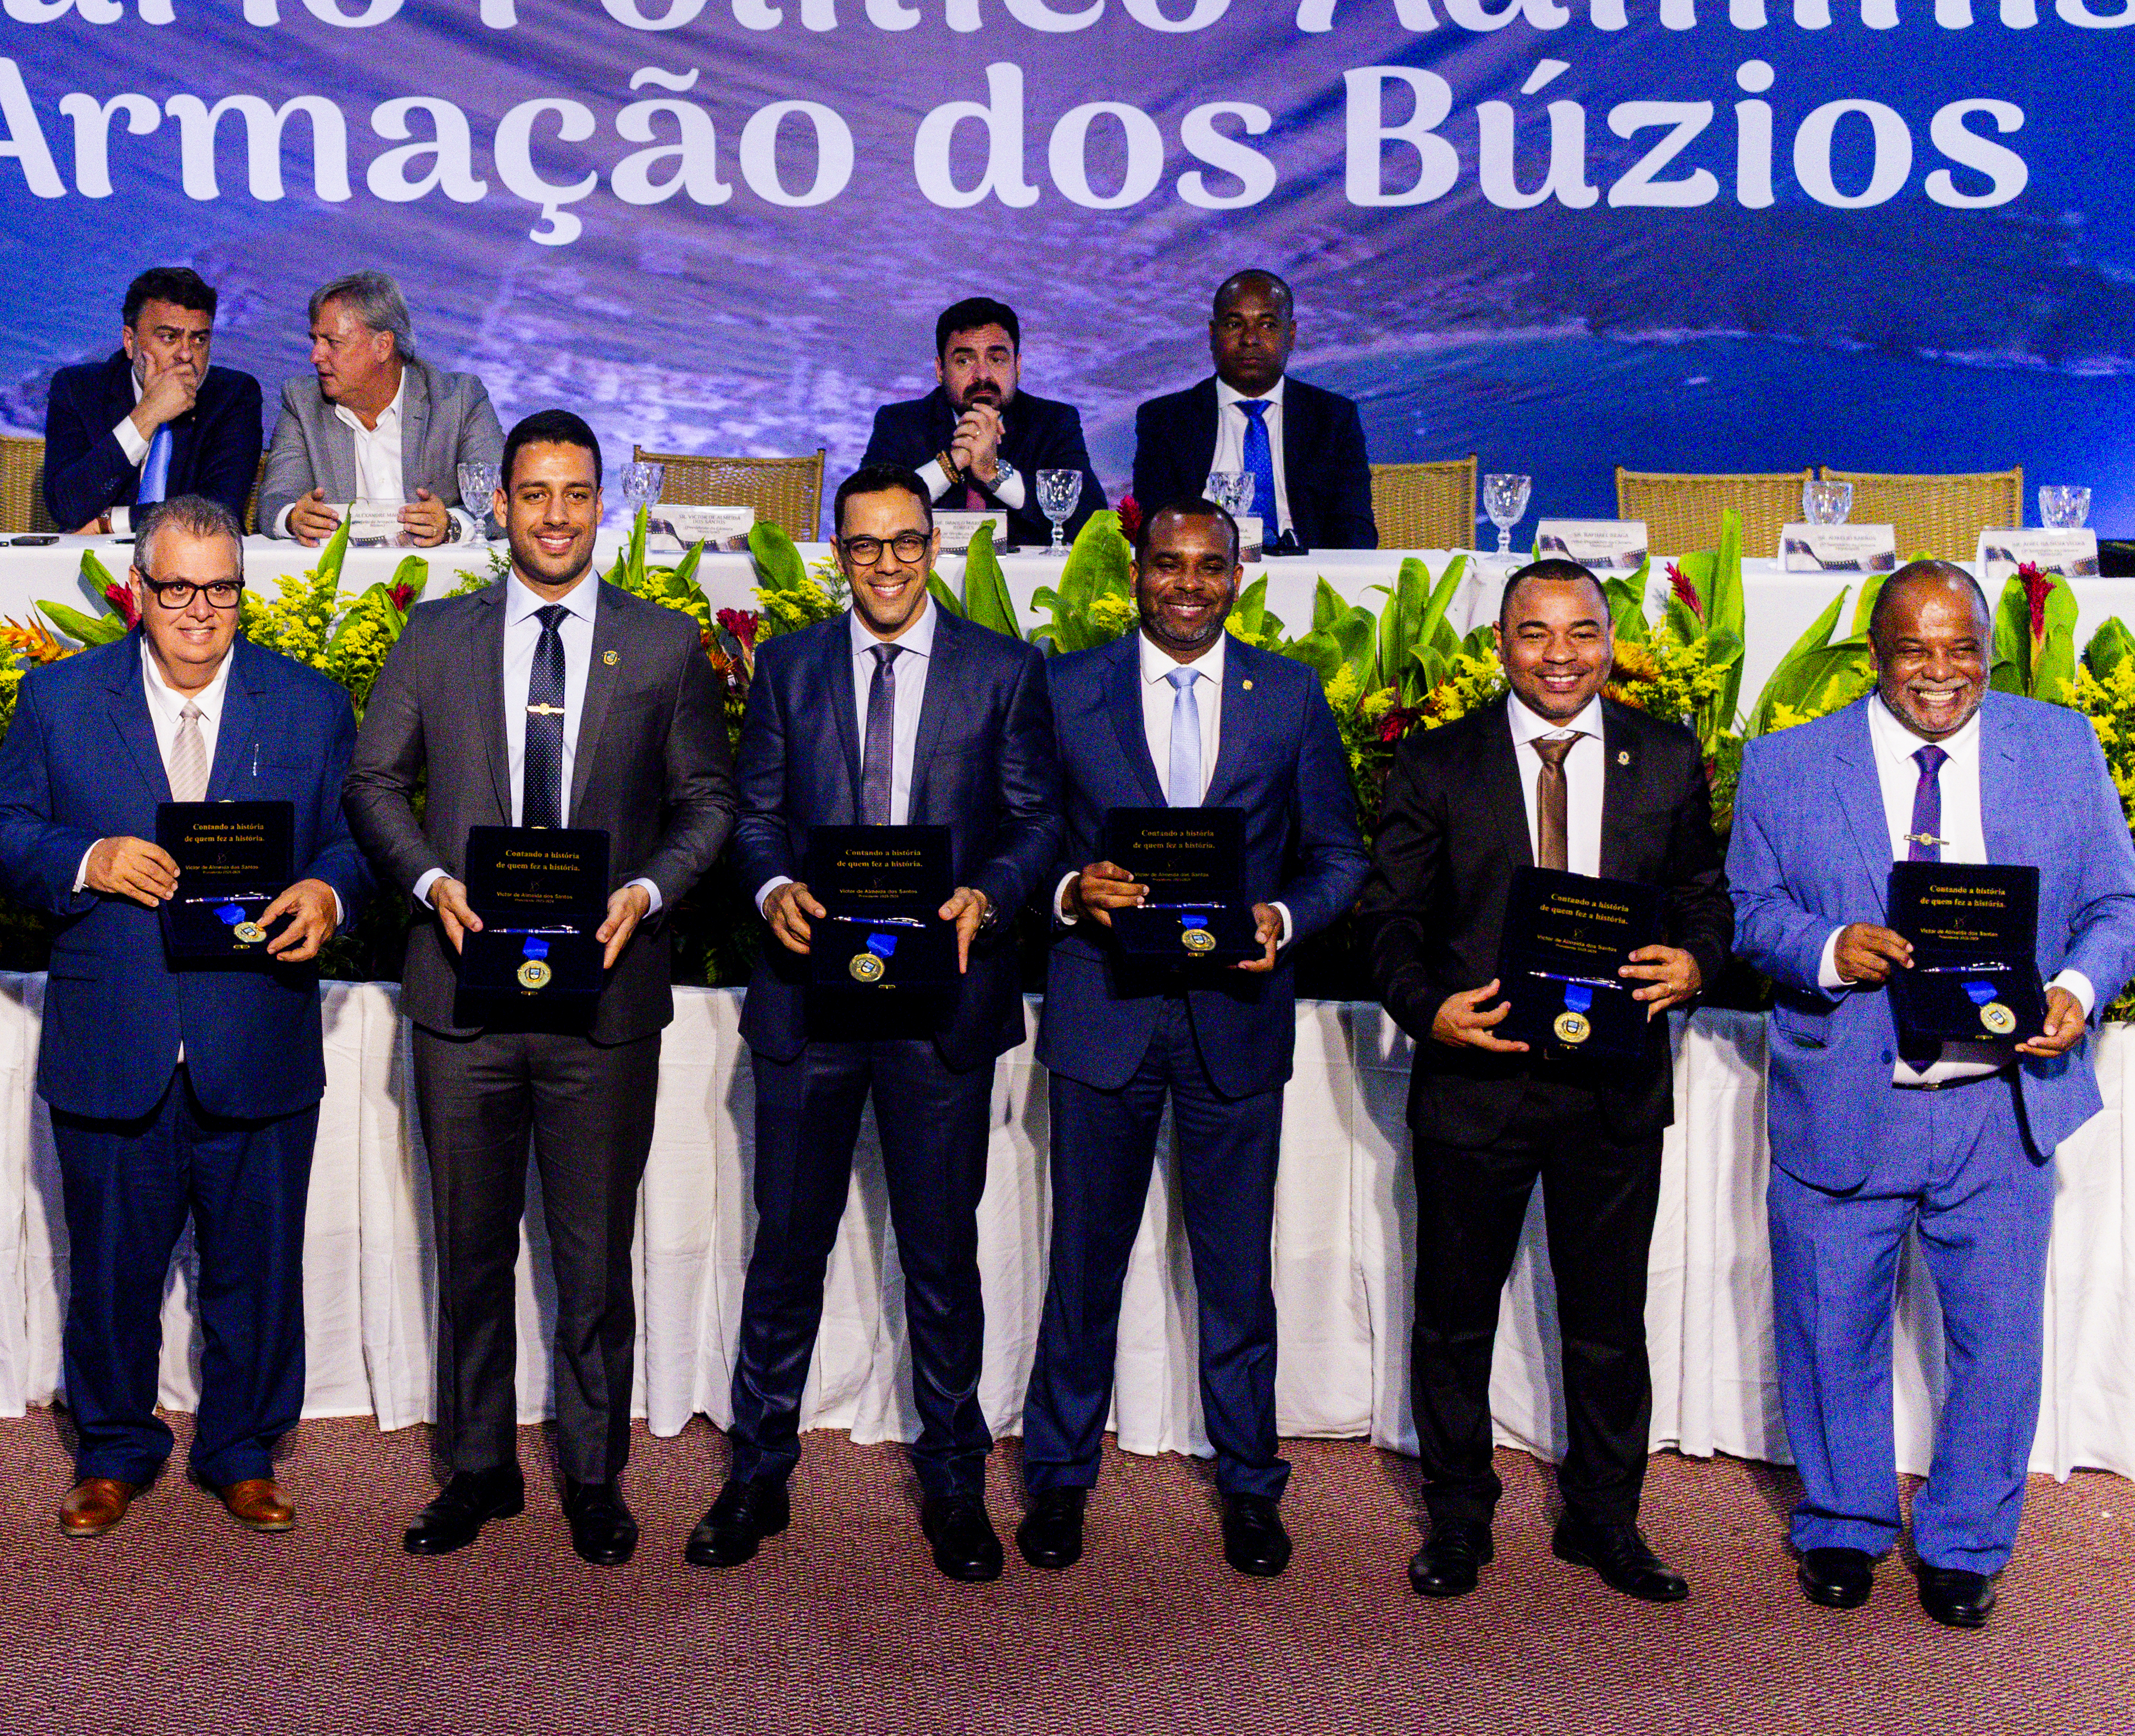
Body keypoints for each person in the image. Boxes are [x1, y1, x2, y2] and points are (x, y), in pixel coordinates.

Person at [344, 409, 734, 1566]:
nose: (555, 515)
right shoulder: (437, 635)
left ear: (599, 505)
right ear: (500, 506)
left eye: (576, 494)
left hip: (605, 995)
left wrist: (651, 894)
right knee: (468, 1247)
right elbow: (374, 781)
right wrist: (426, 880)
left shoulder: (662, 644)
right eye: (534, 493)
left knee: (591, 1248)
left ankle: (595, 1471)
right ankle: (477, 1468)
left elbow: (709, 801)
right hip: (462, 989)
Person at [1728, 561, 2135, 1630]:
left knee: (1998, 1342)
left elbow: (2113, 903)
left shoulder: (2058, 745)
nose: (1941, 673)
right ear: (1878, 653)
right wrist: (1827, 946)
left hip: (2002, 1106)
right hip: (1849, 1093)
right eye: (1917, 649)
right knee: (1829, 1330)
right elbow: (1753, 913)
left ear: (1990, 651)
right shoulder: (1785, 765)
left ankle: (1963, 1543)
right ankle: (1844, 1524)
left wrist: (2078, 988)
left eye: (1964, 649)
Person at [688, 464, 1062, 1583]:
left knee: (942, 1258)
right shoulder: (794, 664)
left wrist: (989, 895)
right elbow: (755, 814)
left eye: (906, 542)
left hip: (940, 1000)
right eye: (865, 545)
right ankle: (758, 1472)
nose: (887, 562)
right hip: (811, 997)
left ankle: (953, 1481)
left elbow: (1040, 821)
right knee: (785, 1253)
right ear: (836, 553)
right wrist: (771, 890)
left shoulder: (1003, 671)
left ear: (934, 548)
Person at [0, 495, 370, 1539]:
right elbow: (2, 831)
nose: (201, 609)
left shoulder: (310, 705)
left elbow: (355, 841)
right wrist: (85, 859)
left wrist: (329, 894)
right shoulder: (61, 701)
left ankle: (242, 1450)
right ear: (137, 593)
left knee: (257, 1264)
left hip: (258, 1037)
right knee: (111, 1269)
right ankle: (112, 1451)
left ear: (245, 593)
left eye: (221, 588)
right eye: (178, 587)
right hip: (116, 1038)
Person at [1351, 557, 1734, 1605]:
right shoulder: (1438, 764)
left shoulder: (1664, 757)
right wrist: (1426, 1008)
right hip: (1478, 1079)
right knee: (1454, 1317)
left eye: (1580, 634)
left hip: (1613, 1085)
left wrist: (1697, 961)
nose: (1559, 656)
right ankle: (1460, 1521)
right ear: (1500, 645)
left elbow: (1706, 895)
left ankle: (1609, 1521)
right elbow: (1385, 917)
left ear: (1610, 643)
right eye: (1534, 633)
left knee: (1610, 1321)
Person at [1015, 496, 1367, 1579]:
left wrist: (1284, 917)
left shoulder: (1290, 694)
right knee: (1082, 1266)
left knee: (1235, 1274)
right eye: (1166, 565)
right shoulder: (1067, 688)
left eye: (1208, 567)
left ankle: (1252, 1484)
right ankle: (1061, 1479)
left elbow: (1339, 854)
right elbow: (1023, 843)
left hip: (1234, 1022)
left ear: (1237, 574)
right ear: (1134, 572)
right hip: (1103, 1015)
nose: (1186, 584)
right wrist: (1076, 888)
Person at [252, 270, 506, 547]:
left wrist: (451, 526)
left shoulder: (458, 400)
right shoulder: (302, 402)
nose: (315, 356)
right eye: (315, 340)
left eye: (332, 343)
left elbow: (503, 500)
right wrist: (294, 518)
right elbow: (274, 502)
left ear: (383, 346)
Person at [1127, 270, 1376, 552]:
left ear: (1291, 335)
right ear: (1212, 334)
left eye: (1268, 325)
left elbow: (1356, 527)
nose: (1250, 339)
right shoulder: (1166, 419)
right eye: (1235, 324)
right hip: (1203, 573)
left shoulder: (1332, 417)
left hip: (1307, 569)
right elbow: (1155, 524)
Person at [858, 296, 1105, 547]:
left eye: (997, 359)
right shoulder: (900, 423)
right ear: (940, 370)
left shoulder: (1053, 422)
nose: (982, 375)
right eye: (965, 361)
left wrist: (993, 473)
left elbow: (1093, 523)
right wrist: (952, 464)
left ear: (1017, 366)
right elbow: (863, 515)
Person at [39, 265, 263, 535]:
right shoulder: (79, 389)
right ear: (130, 341)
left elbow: (219, 510)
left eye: (199, 340)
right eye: (169, 337)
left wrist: (109, 521)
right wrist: (146, 415)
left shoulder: (234, 396)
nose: (186, 354)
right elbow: (67, 506)